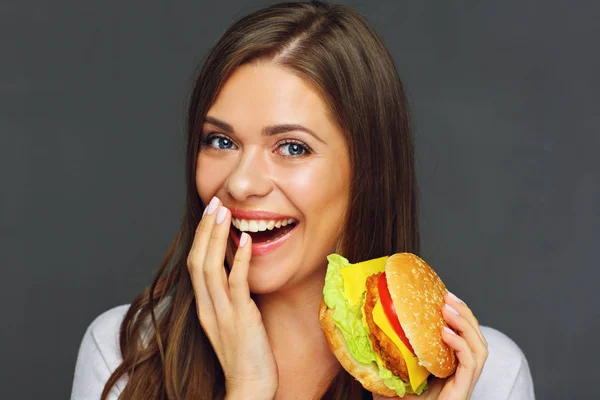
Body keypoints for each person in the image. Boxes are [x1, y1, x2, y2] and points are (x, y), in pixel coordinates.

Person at [71, 1, 535, 399]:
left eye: (293, 147)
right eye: (220, 141)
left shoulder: (484, 377)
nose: (241, 184)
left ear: (368, 173)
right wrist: (248, 387)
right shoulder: (125, 353)